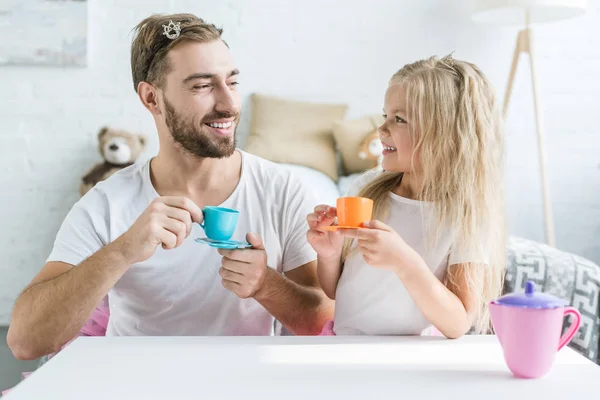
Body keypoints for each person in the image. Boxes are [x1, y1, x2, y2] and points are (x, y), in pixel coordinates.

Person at [8, 13, 333, 360]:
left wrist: (266, 284)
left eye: (232, 82)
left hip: (245, 385)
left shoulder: (282, 189)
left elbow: (321, 320)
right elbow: (25, 341)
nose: (229, 104)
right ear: (151, 98)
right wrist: (122, 252)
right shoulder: (108, 203)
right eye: (202, 86)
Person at [307, 54, 505, 338]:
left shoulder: (465, 215)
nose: (381, 128)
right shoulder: (367, 189)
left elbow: (458, 323)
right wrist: (328, 254)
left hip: (409, 361)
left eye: (399, 119)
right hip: (342, 345)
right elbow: (336, 291)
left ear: (445, 135)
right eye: (385, 115)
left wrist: (404, 261)